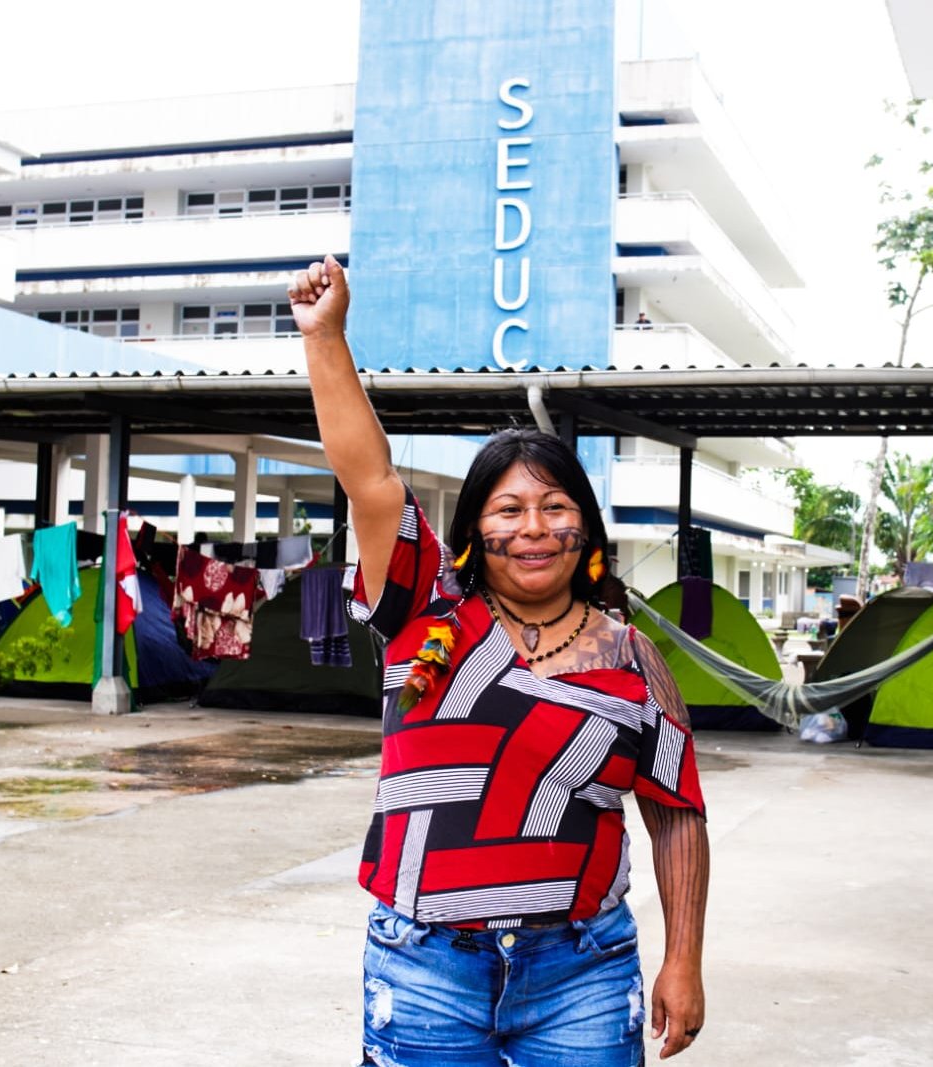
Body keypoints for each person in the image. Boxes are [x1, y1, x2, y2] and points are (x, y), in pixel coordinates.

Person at [288, 255, 710, 1066]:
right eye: (508, 509)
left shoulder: (633, 656)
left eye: (555, 506)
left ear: (586, 527)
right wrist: (326, 337)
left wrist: (684, 958)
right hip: (424, 967)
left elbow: (676, 812)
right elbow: (370, 478)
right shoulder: (422, 607)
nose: (534, 528)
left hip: (583, 970)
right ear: (474, 531)